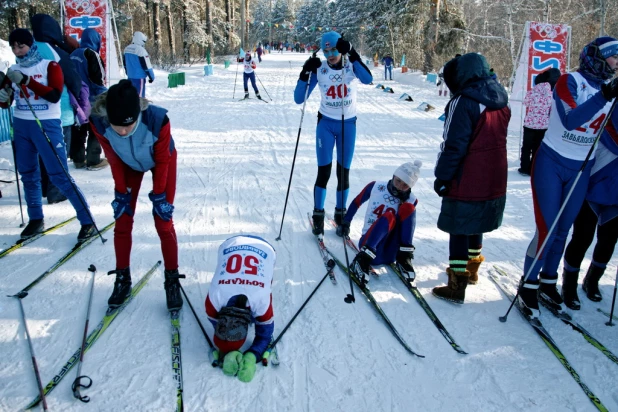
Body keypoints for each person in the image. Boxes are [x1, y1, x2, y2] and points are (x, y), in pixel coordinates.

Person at [518, 37, 618, 318]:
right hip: (551, 162)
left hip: (581, 167)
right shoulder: (569, 80)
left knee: (563, 230)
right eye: (614, 56)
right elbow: (571, 119)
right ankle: (528, 284)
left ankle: (549, 282)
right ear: (598, 57)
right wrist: (604, 96)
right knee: (546, 229)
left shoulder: (611, 90)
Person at [89, 80, 183, 311]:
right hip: (127, 165)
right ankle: (123, 278)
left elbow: (162, 161)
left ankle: (171, 279)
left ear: (137, 115)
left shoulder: (158, 121)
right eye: (117, 126)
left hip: (161, 162)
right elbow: (112, 157)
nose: (122, 131)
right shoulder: (99, 124)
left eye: (128, 126)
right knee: (122, 220)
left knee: (163, 221)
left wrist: (159, 196)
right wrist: (121, 192)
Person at [0, 28, 96, 241]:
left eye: (21, 46)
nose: (18, 50)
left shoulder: (49, 65)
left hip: (47, 124)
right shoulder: (13, 69)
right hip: (22, 125)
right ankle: (36, 219)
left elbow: (54, 95)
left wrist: (27, 81)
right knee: (28, 174)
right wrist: (4, 94)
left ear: (31, 45)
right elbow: (5, 102)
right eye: (14, 47)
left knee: (59, 174)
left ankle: (87, 220)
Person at [431, 53, 511, 304]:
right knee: (478, 219)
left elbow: (453, 144)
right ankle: (473, 270)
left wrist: (443, 176)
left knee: (459, 223)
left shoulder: (464, 101)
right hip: (495, 172)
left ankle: (456, 282)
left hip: (467, 172)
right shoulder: (501, 97)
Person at [293, 31, 373, 235]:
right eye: (326, 50)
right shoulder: (320, 69)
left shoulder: (351, 66)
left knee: (343, 172)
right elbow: (299, 98)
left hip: (348, 124)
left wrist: (353, 53)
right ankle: (318, 214)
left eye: (334, 49)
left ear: (341, 48)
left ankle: (340, 213)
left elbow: (368, 79)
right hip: (326, 125)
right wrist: (304, 73)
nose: (330, 54)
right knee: (324, 171)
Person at [561, 107, 618, 309]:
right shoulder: (605, 124)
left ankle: (592, 280)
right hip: (592, 189)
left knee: (608, 240)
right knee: (582, 237)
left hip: (616, 195)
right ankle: (569, 284)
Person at [205, 235, 275, 383]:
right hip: (230, 243)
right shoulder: (212, 301)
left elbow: (265, 335)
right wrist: (253, 353)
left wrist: (251, 356)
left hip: (265, 247)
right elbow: (265, 335)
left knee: (267, 285)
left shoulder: (261, 302)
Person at [337, 161, 421, 283]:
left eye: (405, 185)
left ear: (410, 187)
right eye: (398, 181)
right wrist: (346, 222)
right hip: (370, 247)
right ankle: (362, 260)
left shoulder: (411, 199)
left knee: (409, 208)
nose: (399, 186)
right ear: (393, 176)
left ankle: (404, 258)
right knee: (389, 216)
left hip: (391, 253)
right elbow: (357, 202)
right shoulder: (376, 187)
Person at [70, 28, 109, 171]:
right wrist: (105, 95)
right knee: (95, 128)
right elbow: (98, 79)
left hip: (75, 97)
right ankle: (93, 160)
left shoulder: (73, 53)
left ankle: (78, 159)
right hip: (91, 98)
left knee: (79, 127)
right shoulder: (92, 54)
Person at [518, 68, 561, 176]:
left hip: (529, 124)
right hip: (543, 125)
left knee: (526, 147)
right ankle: (533, 168)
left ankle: (524, 168)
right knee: (537, 148)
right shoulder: (551, 94)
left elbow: (525, 103)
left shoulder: (532, 92)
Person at [123, 32, 154, 97]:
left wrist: (127, 72)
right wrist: (151, 77)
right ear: (141, 40)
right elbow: (147, 66)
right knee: (139, 97)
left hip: (130, 76)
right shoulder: (141, 50)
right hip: (139, 78)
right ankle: (139, 107)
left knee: (131, 96)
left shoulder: (126, 49)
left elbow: (125, 64)